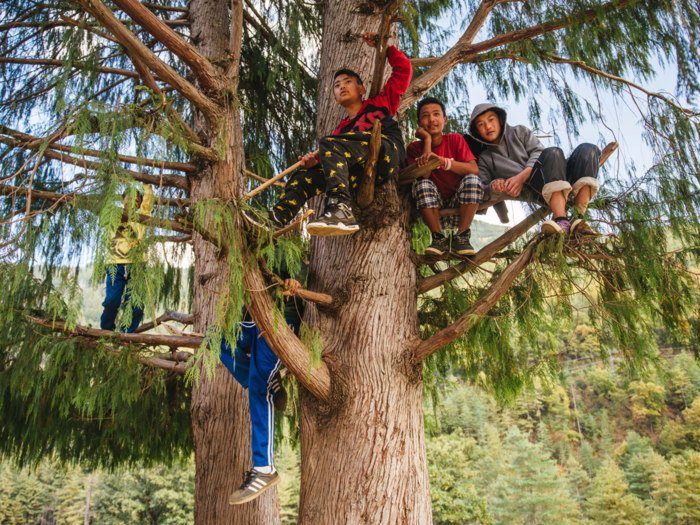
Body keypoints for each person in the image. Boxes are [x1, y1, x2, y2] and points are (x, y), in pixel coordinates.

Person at [270, 32, 412, 236]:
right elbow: (328, 163)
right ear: (336, 98)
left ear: (362, 89)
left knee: (329, 143)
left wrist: (386, 50)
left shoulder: (379, 103)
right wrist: (312, 163)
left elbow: (403, 71)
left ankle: (340, 208)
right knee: (302, 175)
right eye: (337, 86)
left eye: (347, 82)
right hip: (358, 173)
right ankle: (278, 217)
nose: (342, 86)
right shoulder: (340, 133)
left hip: (386, 151)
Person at [221, 248, 308, 505]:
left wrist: (294, 282)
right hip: (255, 324)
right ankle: (264, 381)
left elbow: (299, 275)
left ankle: (265, 469)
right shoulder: (243, 257)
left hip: (282, 324)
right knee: (215, 337)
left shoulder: (277, 249)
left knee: (258, 390)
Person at [469, 103, 600, 235]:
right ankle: (561, 222)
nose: (488, 126)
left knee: (588, 150)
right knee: (553, 153)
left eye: (491, 119)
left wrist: (521, 177)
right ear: (476, 131)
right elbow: (483, 191)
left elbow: (538, 152)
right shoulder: (485, 158)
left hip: (556, 173)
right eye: (481, 124)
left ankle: (579, 220)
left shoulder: (519, 131)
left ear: (500, 120)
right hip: (539, 186)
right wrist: (493, 187)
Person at [407, 97, 482, 256]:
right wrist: (427, 140)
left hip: (460, 208)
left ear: (444, 119)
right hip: (433, 211)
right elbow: (424, 175)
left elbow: (473, 170)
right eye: (425, 116)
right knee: (422, 185)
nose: (431, 119)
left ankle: (461, 237)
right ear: (419, 123)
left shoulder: (455, 140)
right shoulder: (414, 148)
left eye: (436, 114)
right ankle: (438, 238)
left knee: (472, 180)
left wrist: (441, 161)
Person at [100, 185, 153, 333]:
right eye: (128, 198)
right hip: (114, 265)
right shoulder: (113, 215)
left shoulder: (141, 218)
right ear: (123, 199)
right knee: (111, 301)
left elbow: (148, 202)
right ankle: (106, 330)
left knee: (136, 305)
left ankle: (127, 333)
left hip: (136, 265)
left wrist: (147, 185)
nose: (131, 202)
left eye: (136, 200)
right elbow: (103, 206)